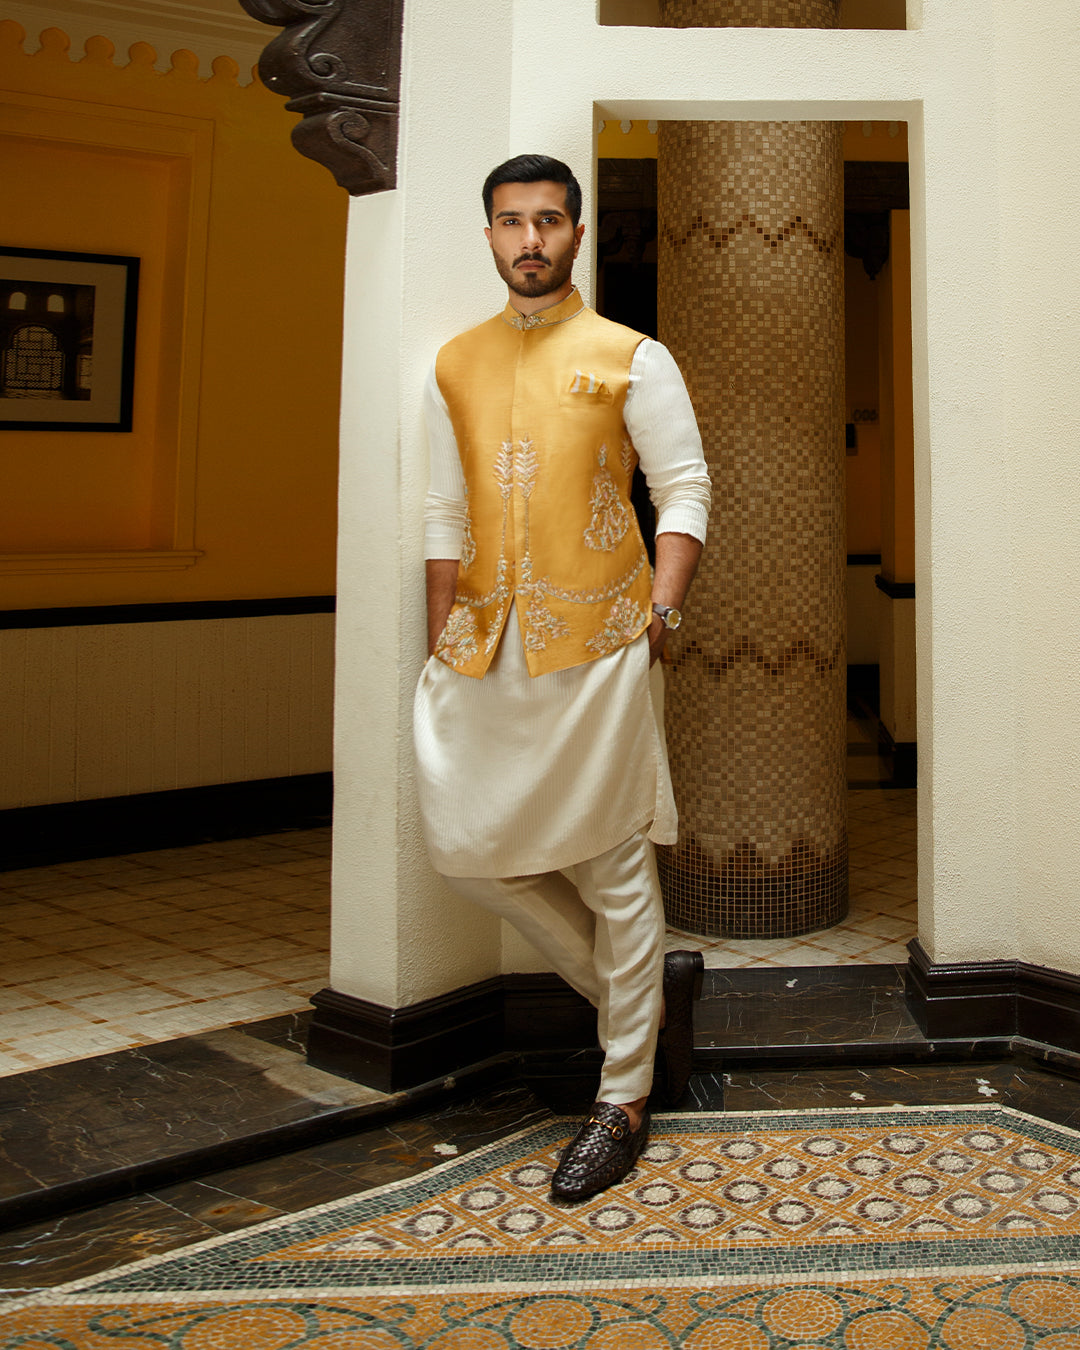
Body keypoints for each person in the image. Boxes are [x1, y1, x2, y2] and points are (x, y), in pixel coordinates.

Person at [413, 154, 711, 1202]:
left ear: (578, 233)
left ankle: (622, 1095)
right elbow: (444, 509)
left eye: (548, 220)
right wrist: (439, 632)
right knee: (465, 850)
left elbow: (684, 487)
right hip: (481, 643)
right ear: (490, 235)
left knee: (614, 869)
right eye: (511, 221)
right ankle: (645, 1003)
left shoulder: (633, 356)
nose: (529, 239)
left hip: (601, 642)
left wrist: (661, 613)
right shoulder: (455, 361)